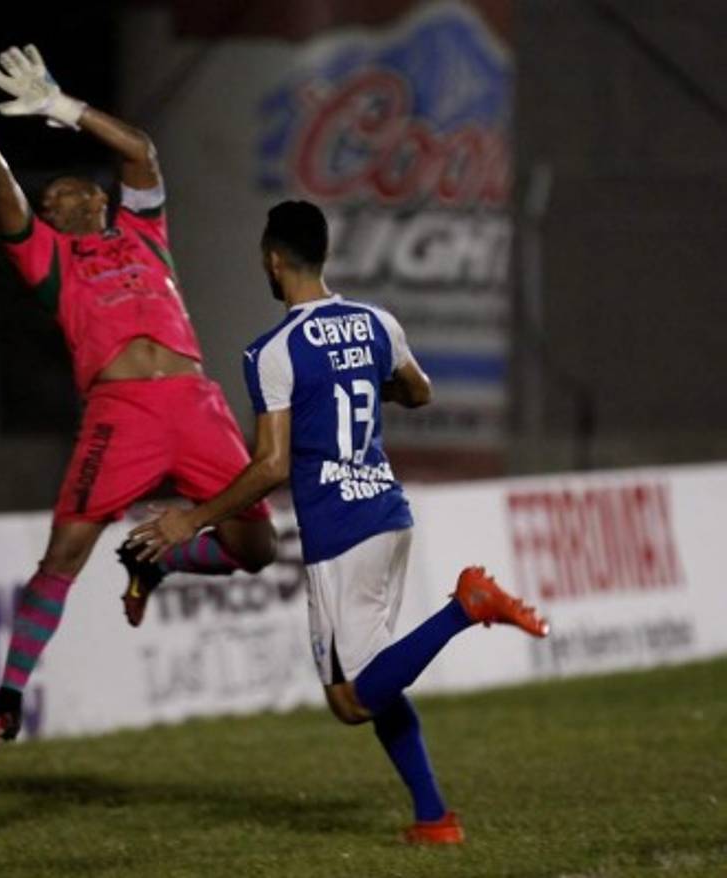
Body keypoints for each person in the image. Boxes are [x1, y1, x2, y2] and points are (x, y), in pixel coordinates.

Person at [0, 27, 277, 752]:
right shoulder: (48, 257)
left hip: (197, 405)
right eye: (56, 190)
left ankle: (154, 558)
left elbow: (139, 150)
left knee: (256, 549)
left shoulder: (145, 231)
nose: (72, 186)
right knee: (64, 553)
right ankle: (7, 701)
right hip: (122, 415)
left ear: (103, 203)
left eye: (82, 183)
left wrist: (63, 106)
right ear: (48, 215)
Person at [128, 200, 548, 844]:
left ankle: (465, 607)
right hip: (387, 510)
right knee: (375, 677)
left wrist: (194, 519)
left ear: (272, 261)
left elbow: (269, 465)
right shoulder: (377, 321)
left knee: (349, 700)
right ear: (321, 255)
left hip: (339, 528)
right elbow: (419, 391)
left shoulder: (273, 350)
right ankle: (433, 816)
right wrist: (353, 380)